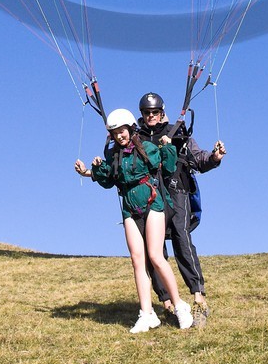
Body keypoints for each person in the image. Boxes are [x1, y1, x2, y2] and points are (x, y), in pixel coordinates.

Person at [75, 108, 195, 334]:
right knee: (137, 260)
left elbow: (168, 167)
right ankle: (146, 314)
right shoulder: (114, 156)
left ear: (130, 129)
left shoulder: (147, 148)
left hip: (152, 203)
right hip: (129, 209)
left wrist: (167, 146)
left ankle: (180, 306)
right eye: (115, 132)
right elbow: (109, 180)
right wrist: (92, 171)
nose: (120, 135)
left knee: (155, 257)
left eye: (122, 131)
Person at [137, 91, 225, 318]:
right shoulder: (136, 138)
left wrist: (214, 157)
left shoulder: (178, 133)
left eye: (154, 112)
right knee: (152, 249)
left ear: (162, 112)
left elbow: (197, 158)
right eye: (146, 113)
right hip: (150, 196)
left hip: (177, 191)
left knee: (181, 239)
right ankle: (166, 302)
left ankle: (198, 295)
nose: (151, 116)